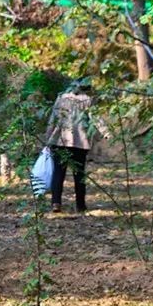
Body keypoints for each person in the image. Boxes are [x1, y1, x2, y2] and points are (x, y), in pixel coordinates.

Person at [43, 77, 106, 213]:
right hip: (79, 142)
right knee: (79, 175)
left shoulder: (61, 98)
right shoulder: (88, 101)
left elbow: (52, 119)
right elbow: (96, 119)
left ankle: (56, 203)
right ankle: (80, 205)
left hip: (59, 140)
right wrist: (106, 133)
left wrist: (48, 137)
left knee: (58, 173)